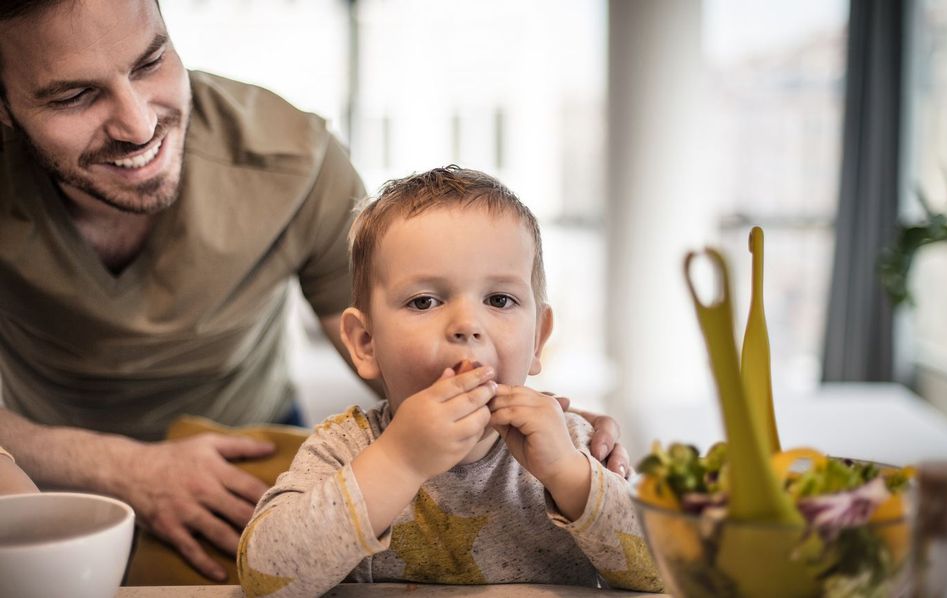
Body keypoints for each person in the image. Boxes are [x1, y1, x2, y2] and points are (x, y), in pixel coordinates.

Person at [0, 0, 629, 583]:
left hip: (247, 462)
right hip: (32, 468)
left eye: (151, 61)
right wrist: (123, 469)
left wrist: (563, 458)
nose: (138, 125)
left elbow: (402, 354)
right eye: (76, 96)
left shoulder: (293, 158)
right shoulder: (339, 456)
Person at [237, 167, 663, 596]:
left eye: (499, 299)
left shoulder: (569, 442)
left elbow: (663, 570)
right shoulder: (344, 447)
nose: (466, 325)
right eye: (424, 301)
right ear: (366, 342)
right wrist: (400, 460)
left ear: (537, 339)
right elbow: (264, 578)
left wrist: (570, 476)